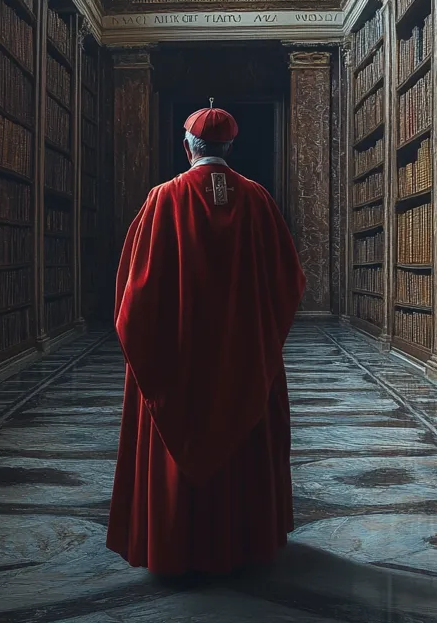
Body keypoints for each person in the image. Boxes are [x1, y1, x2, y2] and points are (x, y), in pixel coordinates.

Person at [106, 104, 306, 575]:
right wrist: (256, 337)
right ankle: (243, 544)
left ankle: (178, 547)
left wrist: (150, 353)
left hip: (180, 364)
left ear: (187, 147)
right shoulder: (258, 200)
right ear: (229, 148)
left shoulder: (163, 199)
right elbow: (289, 281)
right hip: (243, 363)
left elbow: (135, 295)